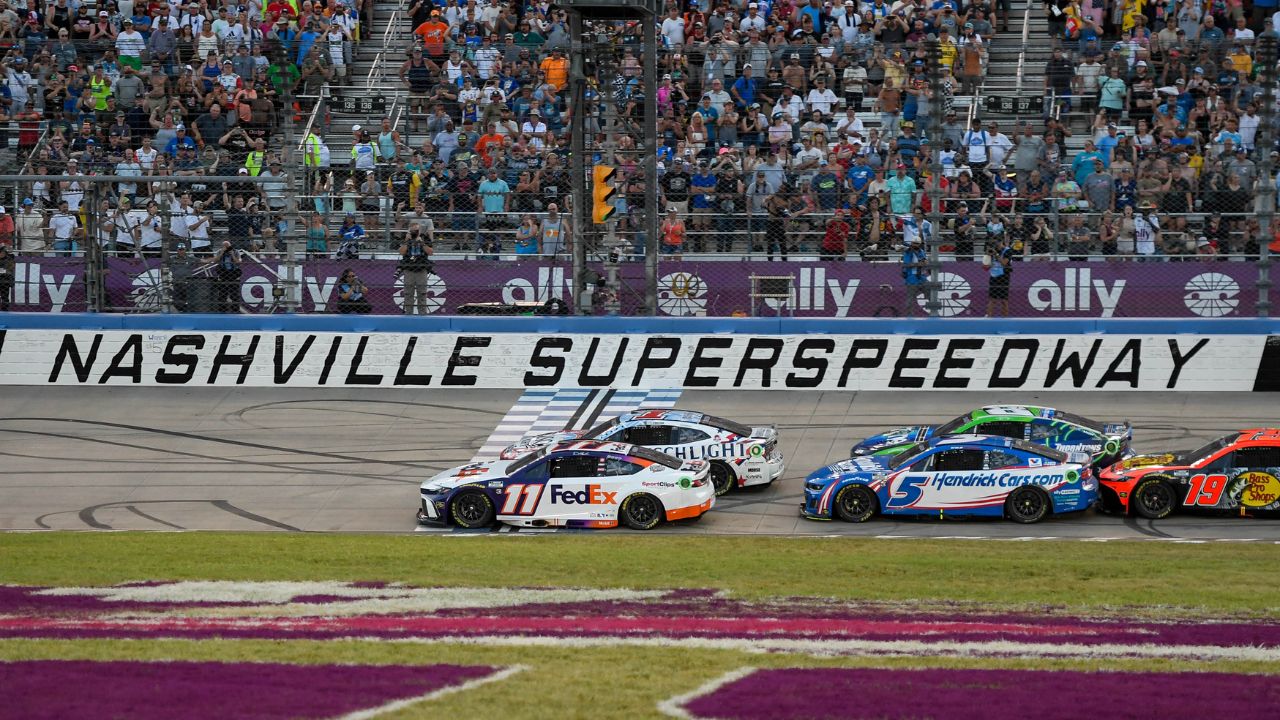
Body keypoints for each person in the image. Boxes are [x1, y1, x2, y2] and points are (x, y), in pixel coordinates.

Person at [399, 225, 434, 315]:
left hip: (421, 268)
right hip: (408, 268)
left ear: (420, 231)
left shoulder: (425, 238)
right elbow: (401, 252)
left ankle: (422, 314)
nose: (414, 232)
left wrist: (421, 242)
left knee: (422, 293)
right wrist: (407, 241)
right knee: (408, 293)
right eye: (412, 231)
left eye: (416, 230)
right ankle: (408, 314)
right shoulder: (406, 238)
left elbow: (430, 252)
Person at [985, 234, 1014, 317]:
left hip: (1004, 277)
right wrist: (987, 256)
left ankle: (1005, 320)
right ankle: (988, 319)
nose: (995, 245)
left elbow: (1004, 263)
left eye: (996, 243)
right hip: (993, 276)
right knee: (992, 300)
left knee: (1004, 301)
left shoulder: (1008, 251)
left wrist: (996, 254)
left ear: (1001, 242)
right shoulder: (991, 250)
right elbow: (985, 266)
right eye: (993, 243)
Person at [901, 232, 928, 317]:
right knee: (911, 299)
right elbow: (906, 264)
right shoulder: (908, 252)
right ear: (911, 243)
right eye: (914, 243)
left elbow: (924, 261)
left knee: (931, 294)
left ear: (920, 244)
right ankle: (910, 316)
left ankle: (933, 312)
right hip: (912, 278)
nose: (915, 245)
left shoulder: (922, 251)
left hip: (922, 277)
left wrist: (925, 263)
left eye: (917, 243)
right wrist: (918, 264)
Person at [212, 240, 242, 313]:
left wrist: (232, 255)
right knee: (222, 293)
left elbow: (238, 262)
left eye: (228, 246)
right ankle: (222, 310)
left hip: (233, 273)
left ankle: (235, 310)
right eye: (225, 246)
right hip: (223, 273)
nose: (227, 248)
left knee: (234, 294)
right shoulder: (220, 251)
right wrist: (222, 252)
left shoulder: (235, 252)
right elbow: (215, 261)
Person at [0, 244, 14, 311]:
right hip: (3, 278)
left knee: (5, 297)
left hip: (5, 281)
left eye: (3, 252)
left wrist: (4, 271)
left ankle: (5, 309)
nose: (1, 254)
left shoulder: (9, 259)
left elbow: (9, 270)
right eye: (0, 252)